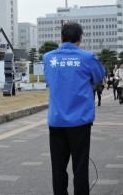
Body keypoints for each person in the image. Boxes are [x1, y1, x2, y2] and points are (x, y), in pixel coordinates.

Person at [43, 22, 106, 195]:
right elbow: (99, 77)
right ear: (80, 38)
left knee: (58, 168)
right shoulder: (87, 57)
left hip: (56, 120)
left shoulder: (49, 57)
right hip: (80, 120)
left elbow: (50, 80)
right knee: (80, 167)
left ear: (61, 37)